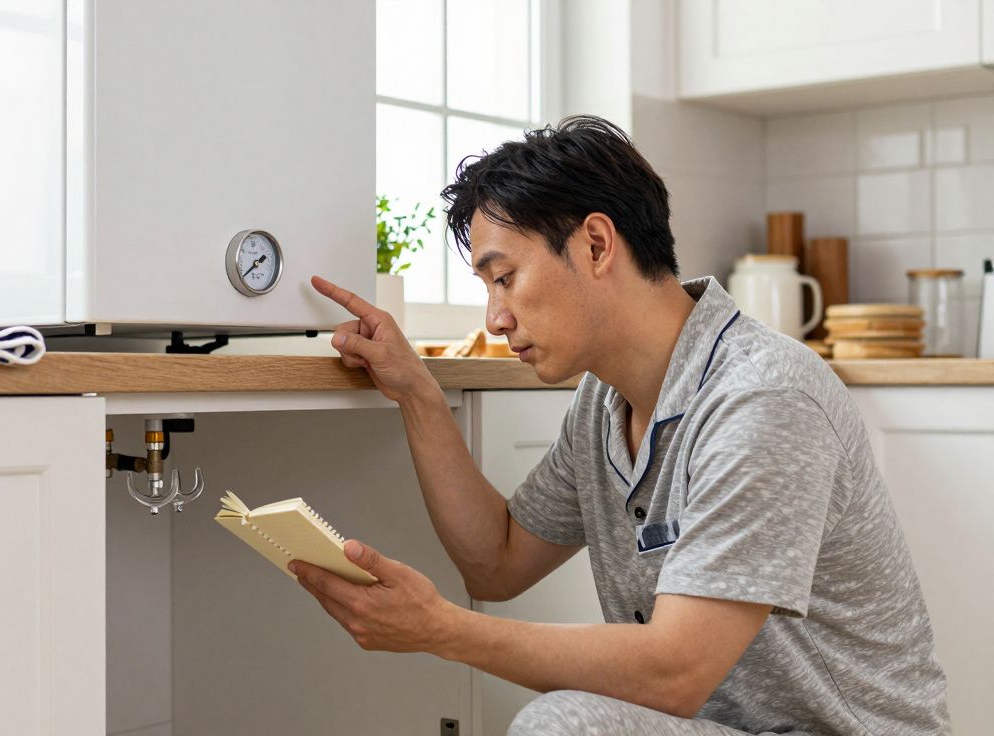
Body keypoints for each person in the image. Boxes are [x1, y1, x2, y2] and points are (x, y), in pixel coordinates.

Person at [296, 115, 950, 735]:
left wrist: (439, 629)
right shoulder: (601, 405)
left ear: (597, 244)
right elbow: (496, 563)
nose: (495, 317)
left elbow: (675, 672)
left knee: (561, 725)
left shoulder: (763, 397)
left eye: (506, 277)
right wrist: (416, 392)